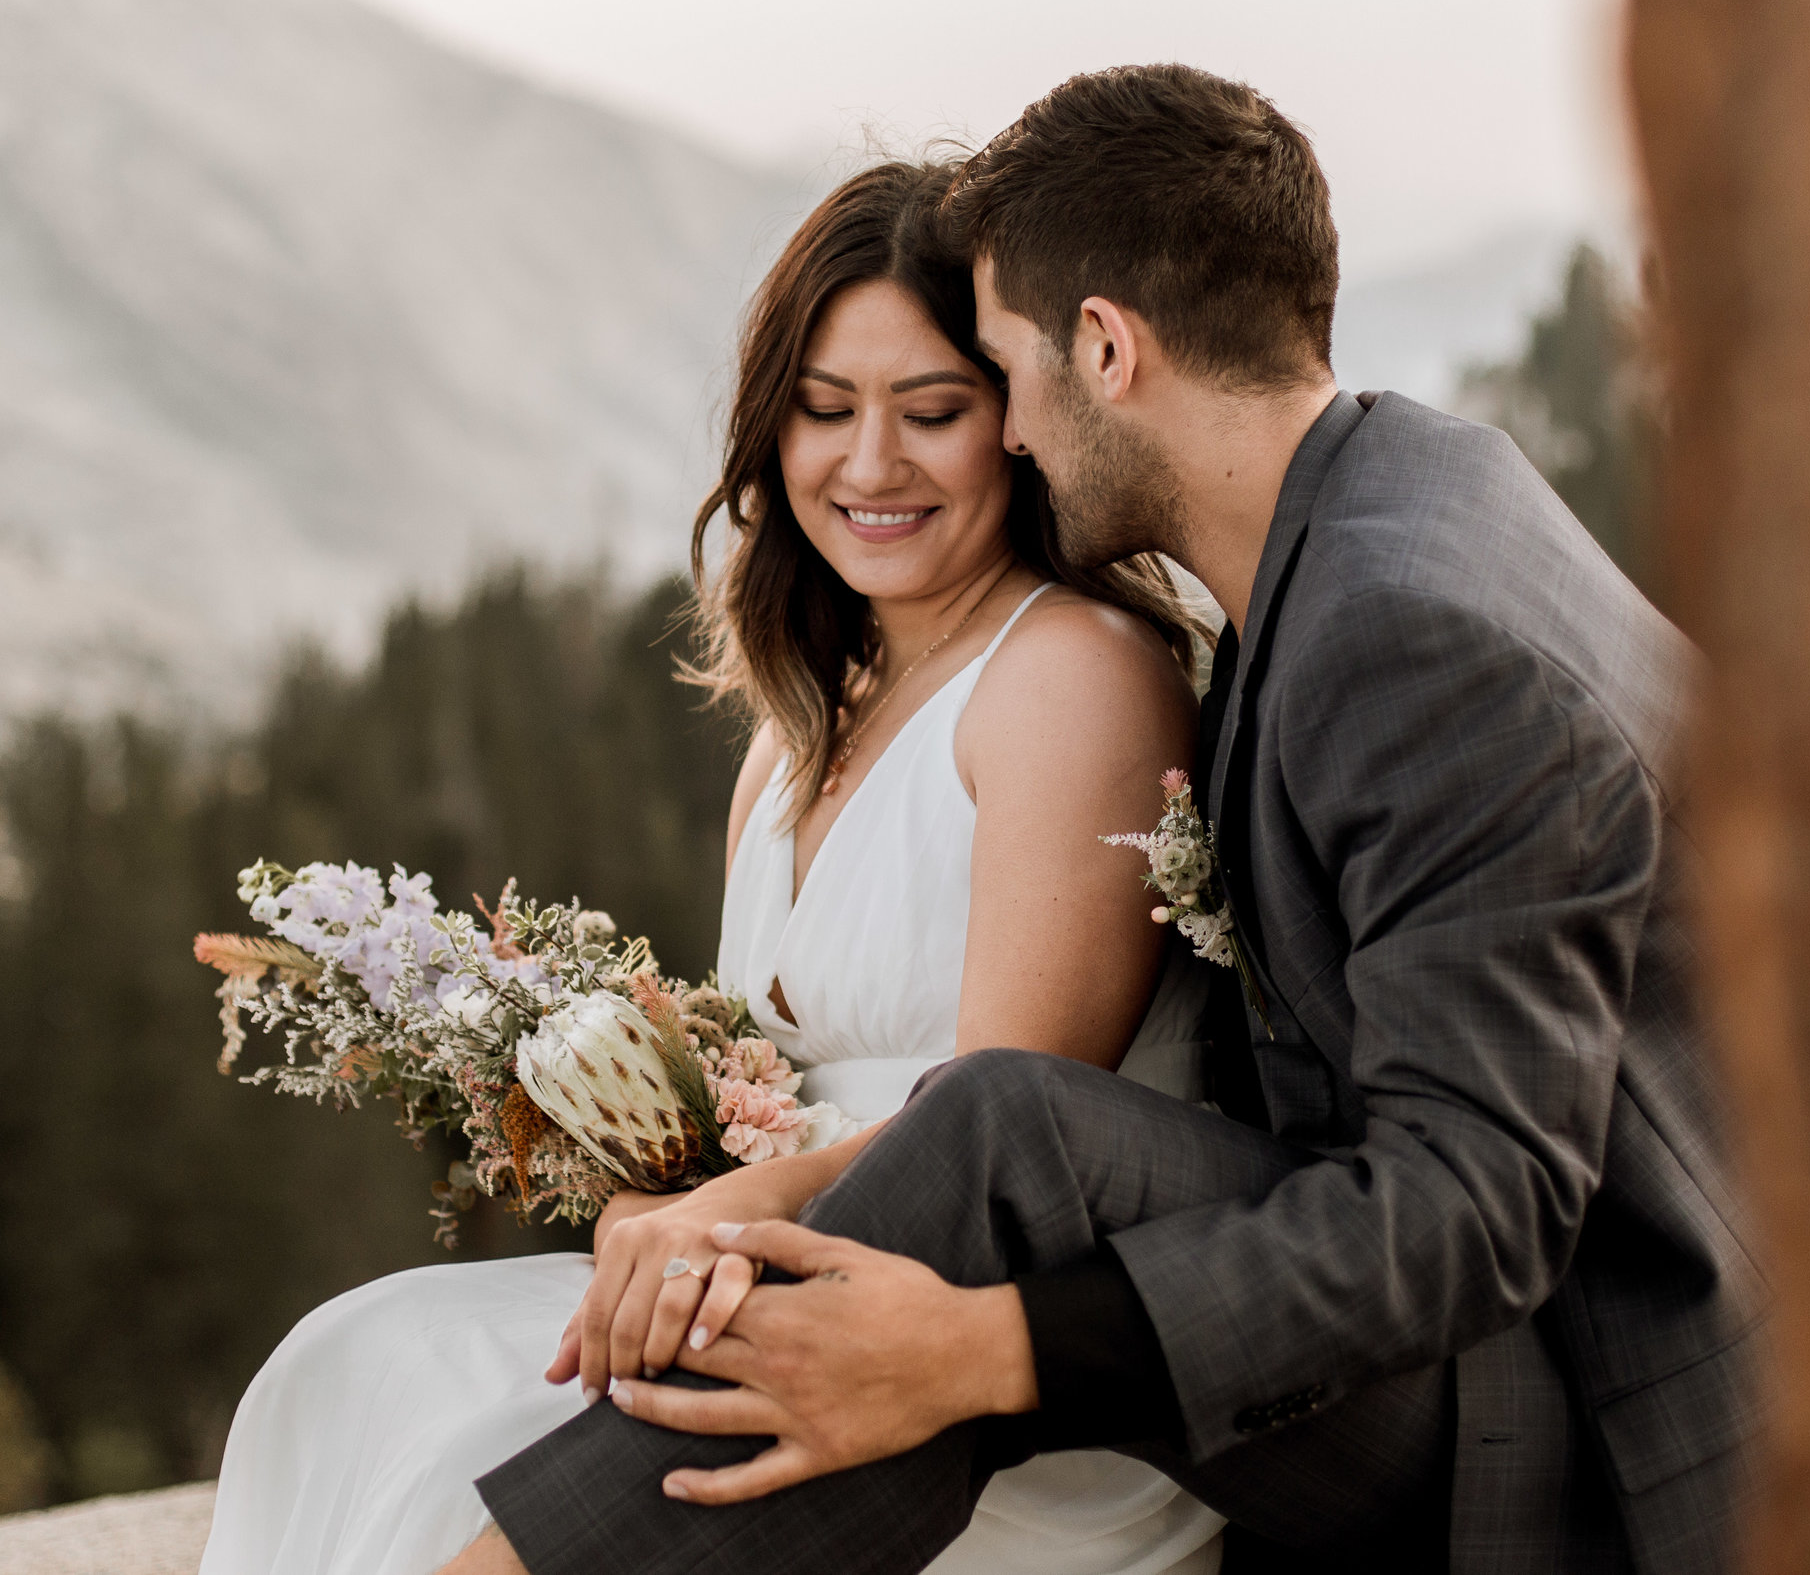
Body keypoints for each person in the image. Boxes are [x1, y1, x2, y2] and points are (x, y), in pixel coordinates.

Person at [454, 65, 1763, 1575]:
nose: (1001, 436)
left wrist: (980, 1352)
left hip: (1600, 1412)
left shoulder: (1411, 634)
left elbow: (1479, 1211)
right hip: (1512, 1313)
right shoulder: (1398, 501)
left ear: (1104, 347)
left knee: (1007, 1137)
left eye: (994, 374)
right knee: (1012, 1129)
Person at [198, 159, 1233, 1575]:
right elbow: (767, 1087)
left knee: (471, 1466)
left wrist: (721, 1216)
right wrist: (656, 1197)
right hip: (770, 1267)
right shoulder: (797, 731)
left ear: (1021, 420)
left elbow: (999, 1152)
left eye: (932, 410)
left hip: (958, 1360)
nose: (870, 465)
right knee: (353, 1362)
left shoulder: (1074, 679)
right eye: (823, 410)